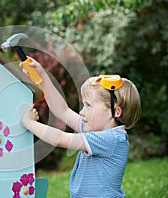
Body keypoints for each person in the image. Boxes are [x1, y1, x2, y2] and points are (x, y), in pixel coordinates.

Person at [20, 57, 141, 197]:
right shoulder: (94, 129)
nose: (82, 111)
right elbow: (63, 111)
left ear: (115, 111)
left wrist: (30, 123)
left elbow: (60, 138)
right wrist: (43, 78)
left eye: (89, 105)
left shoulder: (112, 139)